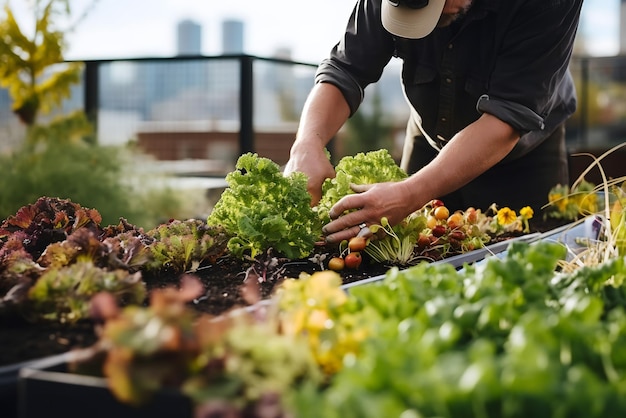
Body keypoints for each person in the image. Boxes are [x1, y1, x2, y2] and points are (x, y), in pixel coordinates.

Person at [283, 0, 584, 244]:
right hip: (429, 137)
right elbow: (345, 70)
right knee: (410, 257)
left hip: (521, 158)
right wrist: (306, 144)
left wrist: (410, 194)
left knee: (523, 269)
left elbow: (508, 116)